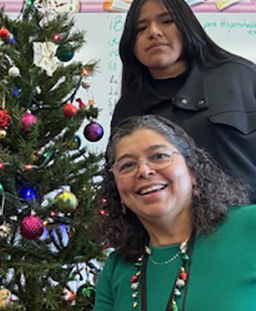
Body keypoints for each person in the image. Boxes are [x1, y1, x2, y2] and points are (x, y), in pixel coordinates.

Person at [94, 115, 256, 311]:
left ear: (192, 171)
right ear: (117, 190)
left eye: (159, 156)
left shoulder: (249, 226)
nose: (144, 171)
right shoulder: (116, 267)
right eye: (127, 165)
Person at [112, 0, 256, 201]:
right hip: (172, 232)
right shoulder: (128, 109)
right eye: (141, 28)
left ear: (187, 26)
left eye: (167, 21)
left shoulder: (239, 76)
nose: (154, 32)